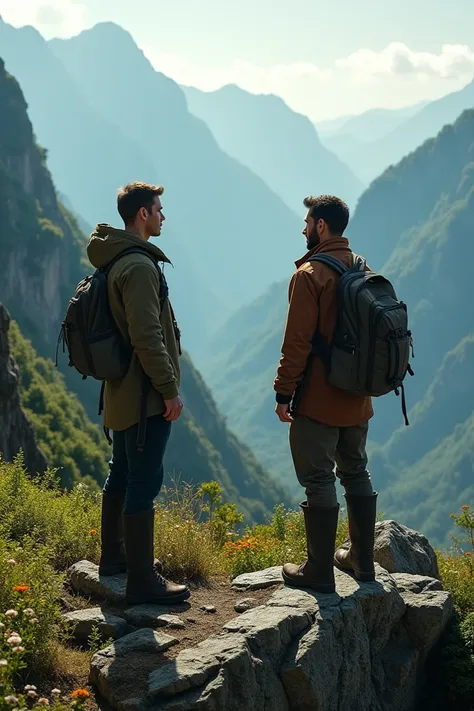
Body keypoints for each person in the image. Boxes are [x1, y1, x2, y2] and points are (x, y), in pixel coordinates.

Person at [87, 181, 190, 605]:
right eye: (159, 209)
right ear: (142, 215)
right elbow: (148, 337)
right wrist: (169, 390)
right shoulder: (141, 268)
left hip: (120, 391)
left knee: (122, 472)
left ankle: (114, 559)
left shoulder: (115, 260)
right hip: (145, 394)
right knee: (144, 481)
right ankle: (142, 580)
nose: (164, 216)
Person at [273, 194, 377, 594]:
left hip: (318, 399)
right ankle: (362, 562)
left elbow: (296, 344)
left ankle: (318, 570)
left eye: (307, 221)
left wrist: (284, 394)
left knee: (318, 478)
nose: (302, 228)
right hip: (359, 396)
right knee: (356, 472)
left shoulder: (310, 275)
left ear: (320, 226)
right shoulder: (363, 267)